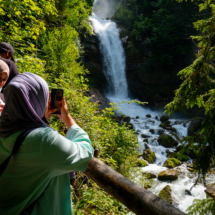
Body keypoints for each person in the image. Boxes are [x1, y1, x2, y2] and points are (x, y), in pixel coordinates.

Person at [0, 72, 94, 215]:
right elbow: (85, 152)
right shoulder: (44, 140)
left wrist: (39, 119)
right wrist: (68, 119)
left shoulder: (5, 127)